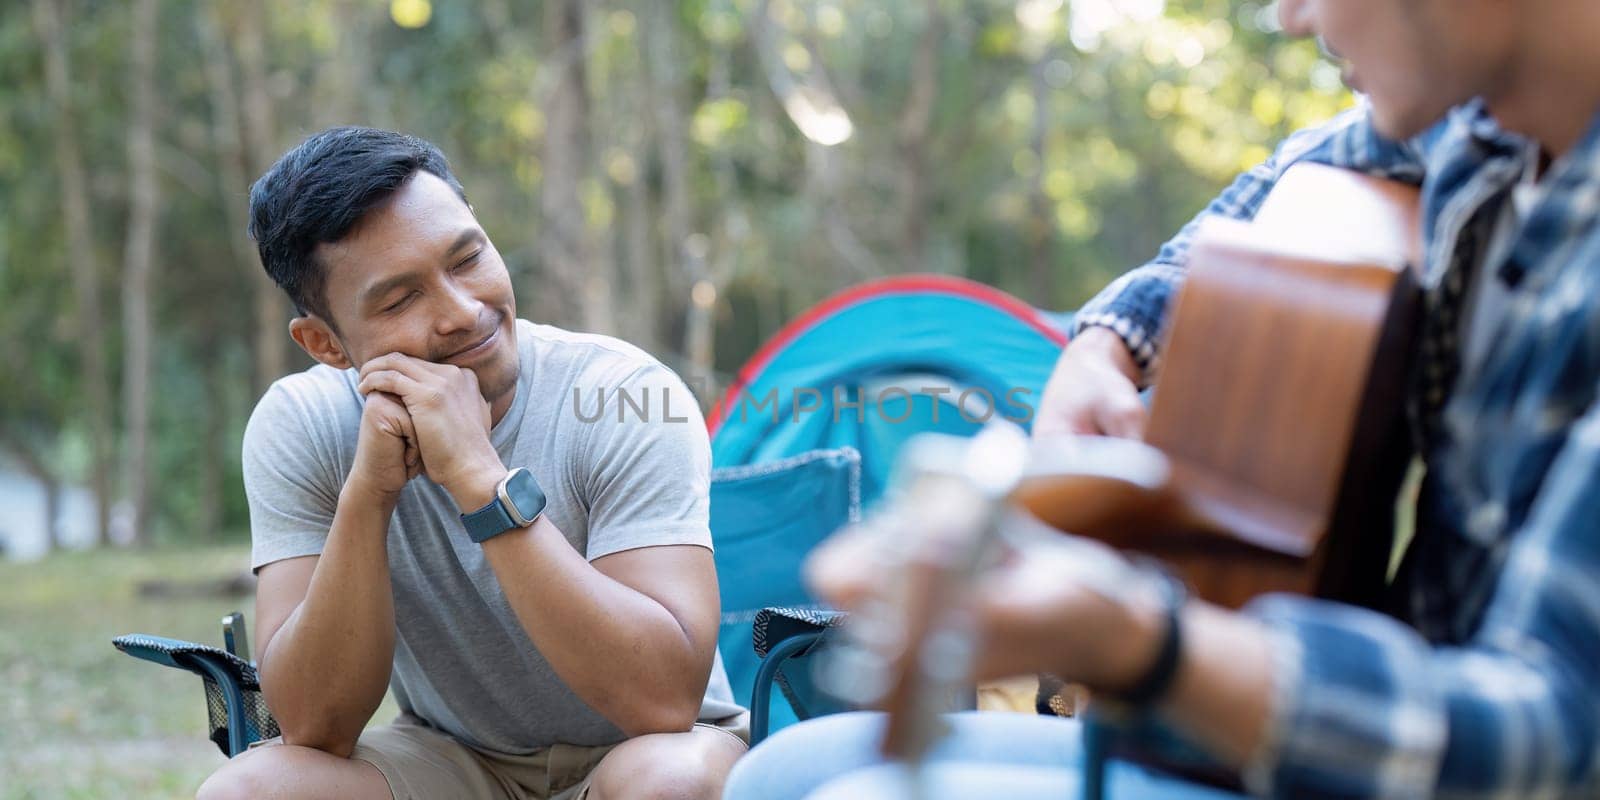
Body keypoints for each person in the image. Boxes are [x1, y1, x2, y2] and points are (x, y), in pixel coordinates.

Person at [726, 0, 1600, 797]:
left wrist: (1141, 643)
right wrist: (1109, 340)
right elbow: (1310, 160)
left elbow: (1553, 739)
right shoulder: (1480, 134)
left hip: (1447, 763)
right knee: (777, 773)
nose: (1290, 16)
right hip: (1339, 743)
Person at [196, 127, 747, 800]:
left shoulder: (625, 394)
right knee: (248, 792)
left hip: (646, 749)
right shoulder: (305, 424)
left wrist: (480, 483)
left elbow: (663, 703)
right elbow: (313, 725)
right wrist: (368, 493)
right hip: (455, 760)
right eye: (400, 300)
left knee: (669, 783)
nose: (464, 311)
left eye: (467, 259)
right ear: (325, 343)